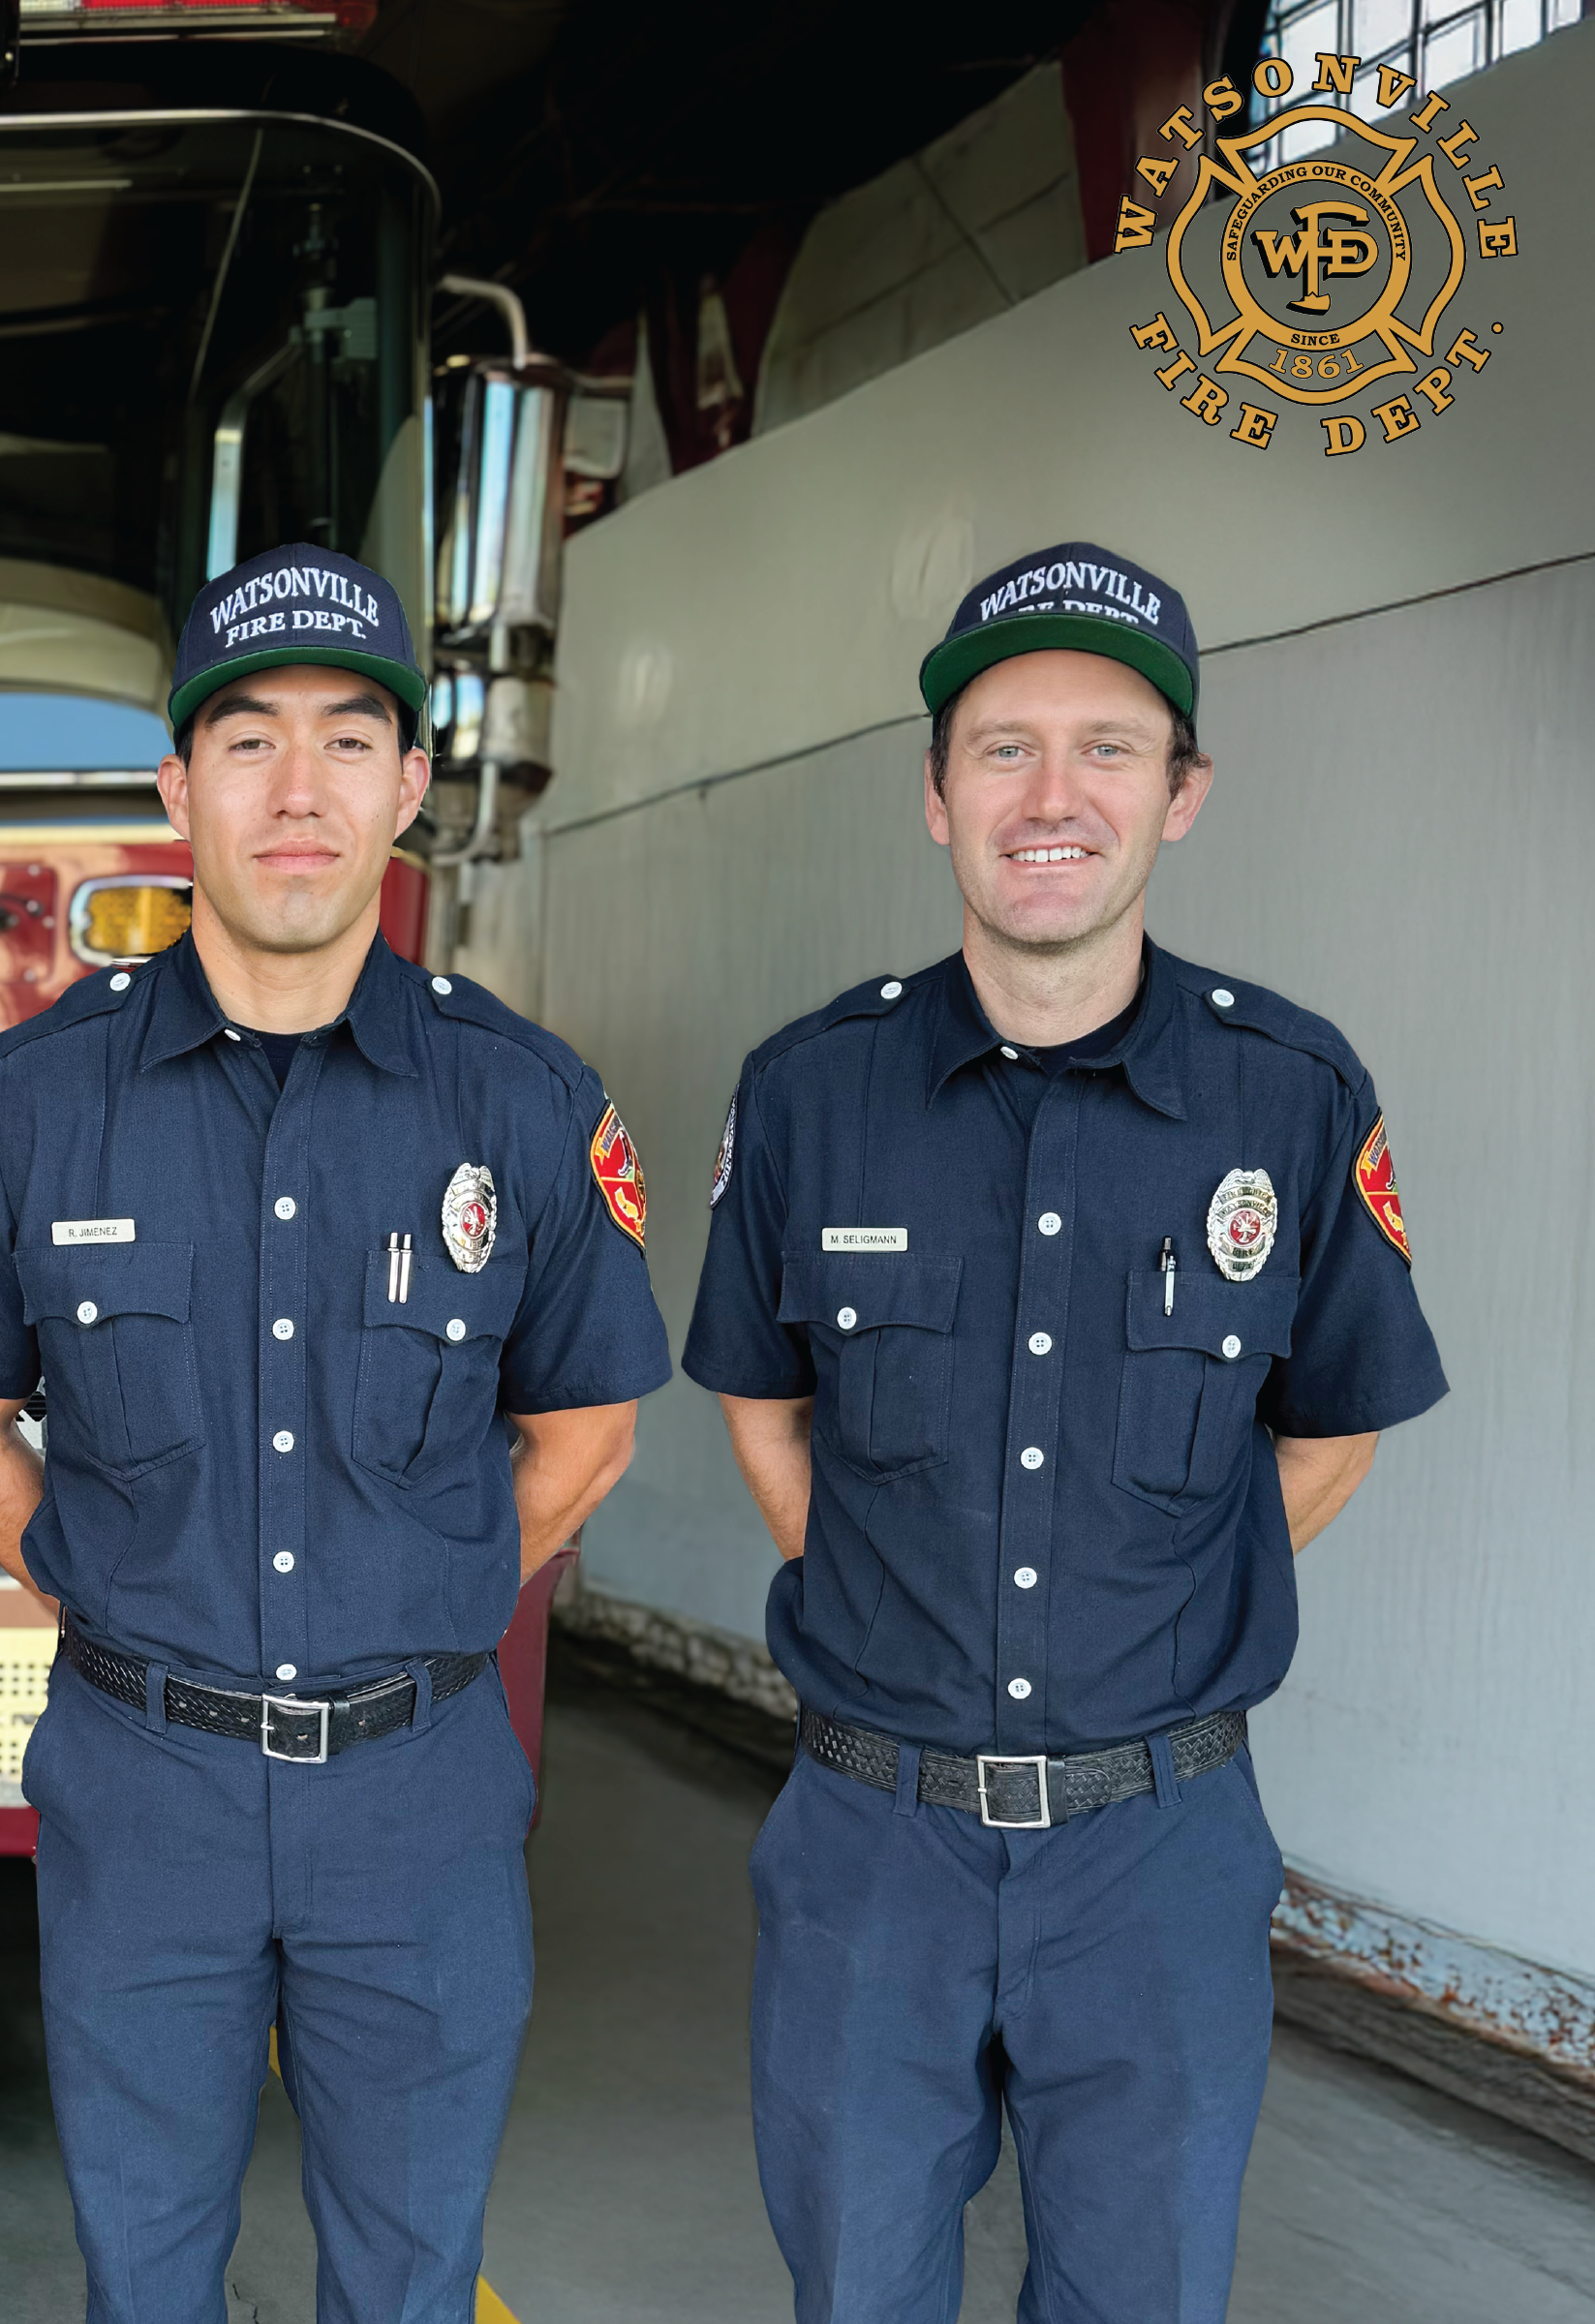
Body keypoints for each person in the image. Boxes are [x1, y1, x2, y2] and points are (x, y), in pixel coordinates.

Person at [0, 543, 668, 2322]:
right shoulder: (33, 1101)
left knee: (407, 2276)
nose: (296, 789)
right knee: (145, 2274)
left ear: (407, 784)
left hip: (425, 1791)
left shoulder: (525, 1104)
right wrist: (110, 1586)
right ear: (178, 787)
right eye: (246, 742)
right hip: (142, 1785)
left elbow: (588, 1434)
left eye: (345, 740)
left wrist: (428, 1588)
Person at [683, 542, 1448, 2323]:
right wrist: (906, 1601)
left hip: (1158, 1849)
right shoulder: (813, 1089)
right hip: (875, 1836)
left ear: (1181, 796)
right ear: (934, 793)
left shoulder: (1291, 1095)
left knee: (1139, 2301)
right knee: (856, 2291)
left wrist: (1141, 1615)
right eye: (1002, 746)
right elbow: (759, 1403)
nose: (1052, 795)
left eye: (1109, 747)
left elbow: (1329, 1436)